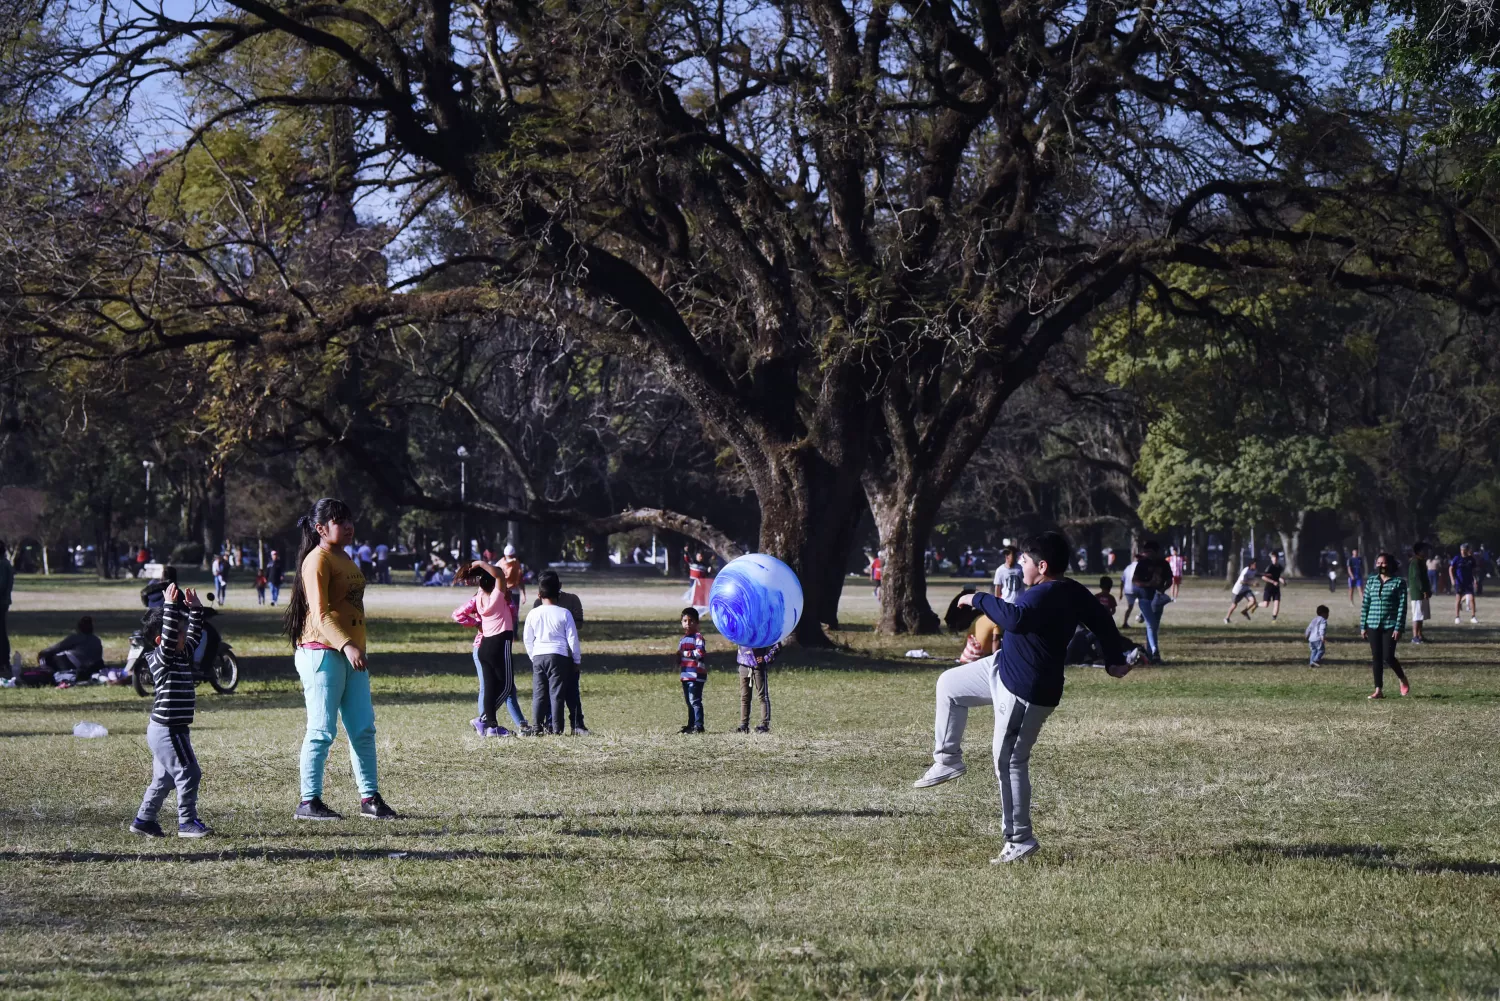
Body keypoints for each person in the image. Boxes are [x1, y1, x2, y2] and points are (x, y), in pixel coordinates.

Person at [914, 531, 1138, 864]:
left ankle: (1019, 840)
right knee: (949, 685)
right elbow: (1101, 620)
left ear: (1043, 566)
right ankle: (948, 760)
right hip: (1002, 667)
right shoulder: (1070, 590)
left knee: (1009, 761)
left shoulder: (1043, 594)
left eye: (1025, 560)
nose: (1020, 564)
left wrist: (977, 598)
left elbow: (1013, 619)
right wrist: (1113, 659)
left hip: (1025, 690)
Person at [284, 497, 398, 821]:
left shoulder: (344, 557)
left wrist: (354, 647)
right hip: (323, 654)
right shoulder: (317, 561)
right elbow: (319, 615)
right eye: (339, 521)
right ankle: (308, 802)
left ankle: (369, 798)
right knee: (321, 730)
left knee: (363, 729)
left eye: (349, 519)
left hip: (351, 656)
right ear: (321, 528)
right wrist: (347, 644)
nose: (348, 526)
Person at [129, 584, 213, 838]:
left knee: (164, 780)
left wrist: (195, 609)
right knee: (189, 772)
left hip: (171, 729)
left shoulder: (180, 655)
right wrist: (169, 606)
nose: (184, 634)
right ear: (161, 639)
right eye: (178, 631)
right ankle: (187, 822)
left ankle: (144, 820)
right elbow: (168, 638)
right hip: (168, 730)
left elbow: (195, 637)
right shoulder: (161, 657)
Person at [452, 588, 531, 734]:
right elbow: (457, 614)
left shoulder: (501, 599)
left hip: (500, 646)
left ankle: (520, 725)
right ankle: (485, 724)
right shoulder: (479, 599)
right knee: (487, 687)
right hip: (483, 646)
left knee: (508, 687)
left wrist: (508, 601)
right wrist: (477, 623)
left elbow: (512, 617)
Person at [458, 561, 519, 737]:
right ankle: (483, 719)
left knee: (491, 687)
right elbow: (499, 575)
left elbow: (495, 576)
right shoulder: (497, 597)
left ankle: (491, 727)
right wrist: (480, 563)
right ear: (495, 584)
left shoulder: (479, 596)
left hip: (484, 647)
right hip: (500, 643)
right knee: (506, 686)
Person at [523, 575, 583, 734]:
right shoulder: (564, 613)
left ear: (539, 595)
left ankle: (537, 727)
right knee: (556, 694)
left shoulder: (533, 614)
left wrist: (533, 656)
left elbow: (527, 638)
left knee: (539, 694)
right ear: (558, 592)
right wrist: (576, 660)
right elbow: (573, 639)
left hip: (538, 656)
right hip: (558, 656)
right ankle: (557, 729)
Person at [1361, 552, 1410, 699]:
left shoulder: (1399, 583)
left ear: (1389, 564)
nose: (1381, 566)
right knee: (1376, 656)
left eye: (1384, 563)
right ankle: (1378, 690)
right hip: (1373, 623)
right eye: (1378, 563)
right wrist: (1363, 626)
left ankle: (1402, 679)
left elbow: (1402, 607)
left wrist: (1398, 627)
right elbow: (1365, 604)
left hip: (1390, 624)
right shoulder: (1371, 581)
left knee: (1388, 656)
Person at [1131, 540, 1173, 663]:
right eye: (1145, 551)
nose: (1146, 554)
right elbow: (1135, 580)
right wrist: (1147, 584)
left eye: (1149, 551)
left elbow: (1169, 580)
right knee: (1151, 624)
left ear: (1156, 551)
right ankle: (1155, 652)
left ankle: (1150, 654)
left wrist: (1162, 589)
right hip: (1144, 598)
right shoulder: (1142, 564)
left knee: (1154, 626)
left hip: (1157, 599)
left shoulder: (1164, 564)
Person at [37, 617, 105, 680]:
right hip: (89, 666)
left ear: (79, 627)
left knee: (47, 656)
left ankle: (45, 672)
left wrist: (42, 653)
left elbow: (57, 647)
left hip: (72, 664)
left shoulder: (76, 637)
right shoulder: (96, 639)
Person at [737, 642, 779, 733]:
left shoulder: (763, 629)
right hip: (743, 664)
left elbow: (777, 644)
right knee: (744, 697)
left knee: (763, 696)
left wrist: (766, 658)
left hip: (758, 667)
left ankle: (764, 725)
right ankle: (744, 725)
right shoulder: (742, 629)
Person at [677, 607, 707, 733]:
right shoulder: (682, 640)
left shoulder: (698, 637)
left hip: (696, 675)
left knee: (695, 701)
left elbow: (700, 652)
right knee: (689, 701)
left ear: (697, 623)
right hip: (686, 675)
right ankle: (691, 724)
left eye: (691, 621)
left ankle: (699, 725)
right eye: (685, 621)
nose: (688, 624)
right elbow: (680, 655)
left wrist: (684, 653)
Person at [1408, 541, 1432, 644]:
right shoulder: (1415, 562)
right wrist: (1423, 590)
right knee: (1417, 615)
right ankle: (1414, 636)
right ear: (1418, 551)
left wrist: (1428, 590)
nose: (1427, 552)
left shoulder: (1421, 561)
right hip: (1418, 593)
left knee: (1421, 615)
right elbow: (1417, 578)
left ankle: (1420, 635)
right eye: (1424, 550)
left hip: (1423, 592)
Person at [1450, 542, 1480, 624]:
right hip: (1459, 582)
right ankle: (1457, 617)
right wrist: (1452, 579)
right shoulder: (1457, 558)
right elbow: (1451, 569)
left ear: (1467, 550)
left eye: (1464, 550)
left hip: (1468, 582)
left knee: (1472, 599)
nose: (1462, 551)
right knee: (1458, 599)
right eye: (1461, 550)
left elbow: (1474, 570)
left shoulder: (1471, 559)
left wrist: (1475, 580)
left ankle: (1473, 617)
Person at [1224, 558, 1260, 623]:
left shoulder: (1254, 570)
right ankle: (1226, 618)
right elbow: (1241, 582)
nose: (1256, 565)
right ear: (1251, 565)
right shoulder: (1246, 571)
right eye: (1254, 564)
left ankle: (1244, 611)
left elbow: (1255, 575)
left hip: (1246, 589)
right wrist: (1252, 584)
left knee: (1253, 601)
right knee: (1234, 605)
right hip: (1238, 590)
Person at [1260, 553, 1284, 621]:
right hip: (1269, 588)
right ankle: (1256, 605)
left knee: (1277, 603)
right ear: (1271, 559)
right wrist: (1273, 582)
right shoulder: (1270, 567)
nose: (1275, 559)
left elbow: (1278, 576)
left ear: (1278, 559)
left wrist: (1282, 580)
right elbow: (1263, 577)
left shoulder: (1280, 567)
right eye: (1273, 558)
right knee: (1265, 605)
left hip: (1276, 588)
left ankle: (1274, 620)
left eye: (1276, 558)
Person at [0, 541, 12, 676]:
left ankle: (3, 662)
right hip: (3, 603)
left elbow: (1, 585)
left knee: (1, 635)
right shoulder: (5, 563)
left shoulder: (2, 564)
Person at [1119, 556, 1138, 628]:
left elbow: (1122, 581)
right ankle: (1143, 617)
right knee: (1145, 604)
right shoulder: (1141, 566)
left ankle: (1125, 622)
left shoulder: (1127, 568)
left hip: (1128, 590)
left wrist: (1120, 593)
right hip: (1138, 589)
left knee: (1130, 607)